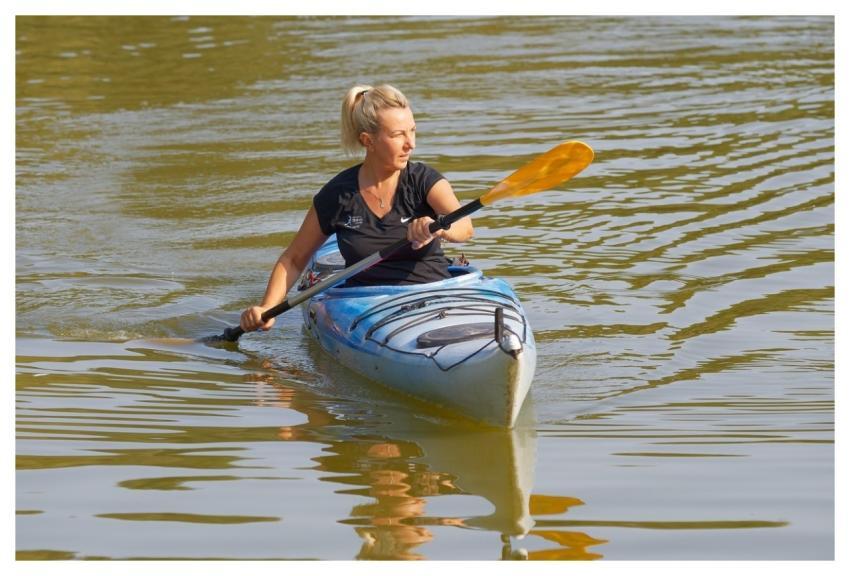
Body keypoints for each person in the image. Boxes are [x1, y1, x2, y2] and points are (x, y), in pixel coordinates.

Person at [240, 84, 474, 333]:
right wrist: (266, 307)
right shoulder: (338, 194)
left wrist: (438, 228)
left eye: (413, 131)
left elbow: (465, 227)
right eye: (398, 135)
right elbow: (294, 258)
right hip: (367, 307)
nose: (410, 144)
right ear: (367, 140)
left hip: (433, 296)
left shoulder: (424, 180)